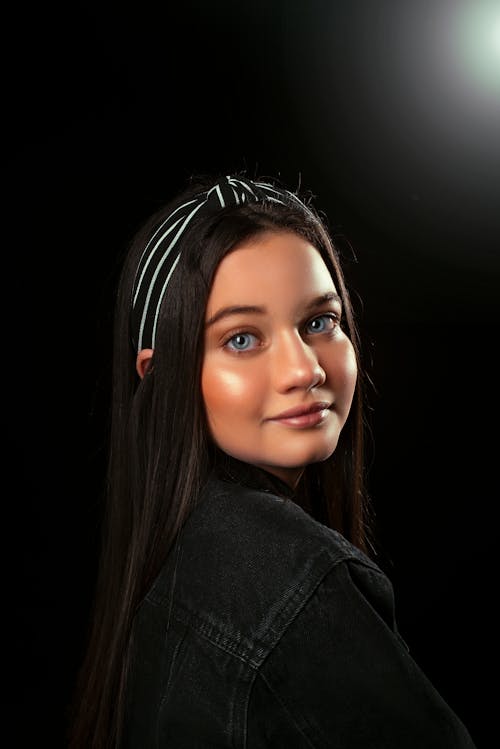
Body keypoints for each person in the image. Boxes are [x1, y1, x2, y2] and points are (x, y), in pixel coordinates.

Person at [68, 173, 477, 748]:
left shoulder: (172, 563)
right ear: (159, 377)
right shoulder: (296, 580)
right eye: (241, 338)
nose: (304, 369)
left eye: (319, 322)